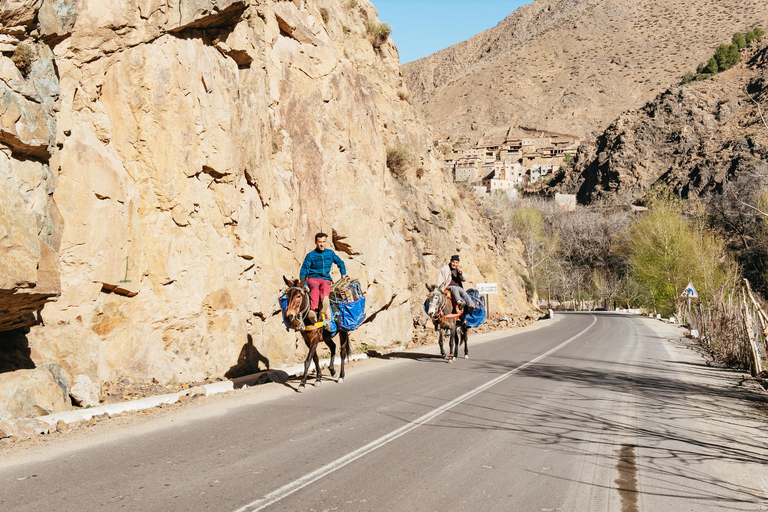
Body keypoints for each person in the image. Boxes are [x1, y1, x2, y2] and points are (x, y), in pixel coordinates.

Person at [300, 232, 346, 323]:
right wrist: (304, 284)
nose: (322, 244)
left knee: (325, 286)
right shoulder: (310, 255)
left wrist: (343, 274)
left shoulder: (330, 253)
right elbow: (304, 271)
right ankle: (313, 311)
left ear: (326, 242)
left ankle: (325, 303)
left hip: (325, 279)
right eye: (320, 242)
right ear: (316, 242)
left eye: (323, 242)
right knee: (314, 289)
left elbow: (341, 263)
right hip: (313, 278)